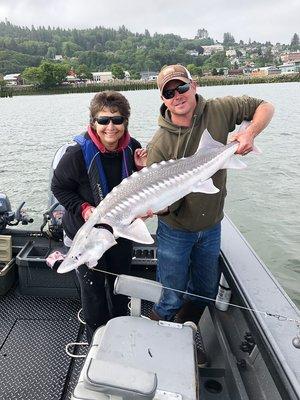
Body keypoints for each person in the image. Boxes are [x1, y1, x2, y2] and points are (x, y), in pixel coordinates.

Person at [147, 64, 274, 327]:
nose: (177, 95)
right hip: (176, 229)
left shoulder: (220, 109)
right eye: (169, 93)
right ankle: (156, 333)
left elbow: (265, 106)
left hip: (212, 224)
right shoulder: (159, 144)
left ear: (193, 86)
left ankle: (190, 329)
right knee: (171, 294)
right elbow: (164, 205)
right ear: (163, 99)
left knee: (205, 290)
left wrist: (249, 133)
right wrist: (154, 207)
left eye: (181, 87)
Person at [51, 91, 147, 343]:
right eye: (103, 120)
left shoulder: (133, 148)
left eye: (117, 120)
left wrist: (141, 169)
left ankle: (119, 328)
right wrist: (83, 208)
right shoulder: (76, 154)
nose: (110, 127)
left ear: (125, 121)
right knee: (92, 291)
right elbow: (59, 188)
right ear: (93, 122)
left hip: (118, 234)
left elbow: (140, 188)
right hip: (84, 233)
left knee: (119, 285)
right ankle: (97, 337)